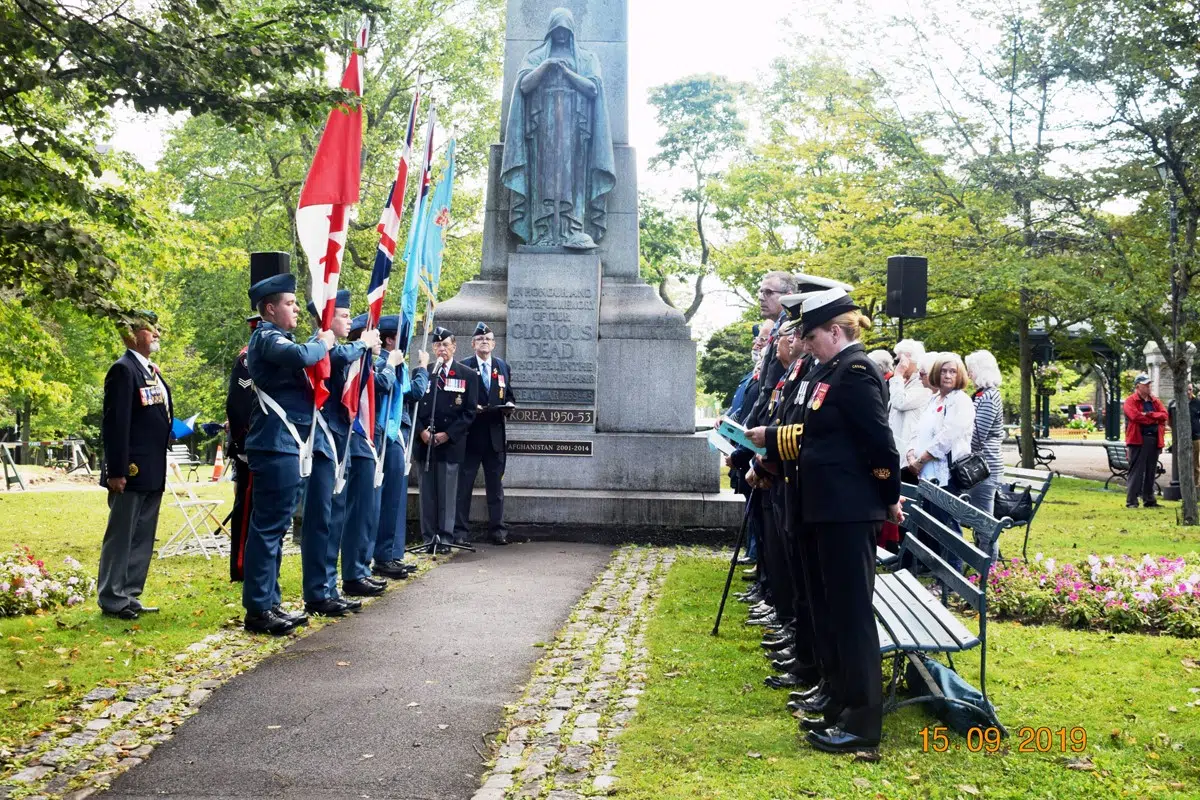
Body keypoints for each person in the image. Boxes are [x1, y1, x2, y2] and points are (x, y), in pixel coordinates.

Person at [784, 288, 901, 753]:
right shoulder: (830, 368)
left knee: (851, 618)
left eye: (811, 335)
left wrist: (887, 497)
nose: (805, 344)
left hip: (848, 514)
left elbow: (881, 447)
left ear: (835, 331)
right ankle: (837, 698)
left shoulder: (855, 371)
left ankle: (863, 723)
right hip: (826, 510)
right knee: (831, 611)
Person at [242, 258, 337, 635]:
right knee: (267, 529)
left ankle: (271, 602)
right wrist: (322, 341)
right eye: (290, 304)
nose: (296, 309)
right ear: (270, 308)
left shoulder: (278, 337)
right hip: (275, 444)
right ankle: (258, 609)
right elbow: (301, 357)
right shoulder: (266, 337)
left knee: (277, 528)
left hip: (287, 445)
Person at [97, 310, 172, 620]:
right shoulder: (123, 370)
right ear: (131, 335)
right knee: (122, 535)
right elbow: (116, 423)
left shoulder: (150, 370)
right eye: (149, 330)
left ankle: (129, 594)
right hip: (131, 471)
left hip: (153, 468)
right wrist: (116, 470)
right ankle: (112, 597)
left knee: (142, 535)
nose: (155, 335)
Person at [337, 313, 397, 595]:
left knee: (368, 512)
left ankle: (359, 568)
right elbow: (379, 386)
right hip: (357, 440)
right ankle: (353, 572)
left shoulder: (367, 362)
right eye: (373, 333)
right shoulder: (357, 362)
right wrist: (391, 367)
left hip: (367, 441)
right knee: (359, 511)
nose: (378, 339)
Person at [370, 315, 429, 578]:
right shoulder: (385, 362)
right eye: (402, 338)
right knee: (388, 498)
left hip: (398, 434)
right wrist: (423, 369)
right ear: (391, 339)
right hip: (388, 434)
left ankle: (392, 554)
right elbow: (413, 393)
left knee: (396, 499)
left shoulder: (394, 363)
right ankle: (384, 556)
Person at [415, 327, 479, 551]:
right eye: (437, 345)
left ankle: (445, 538)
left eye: (446, 345)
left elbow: (470, 411)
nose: (441, 349)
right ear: (433, 348)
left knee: (447, 493)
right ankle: (428, 538)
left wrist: (448, 434)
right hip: (425, 444)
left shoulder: (467, 375)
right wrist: (422, 431)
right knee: (427, 495)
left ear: (454, 347)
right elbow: (412, 405)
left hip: (450, 444)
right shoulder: (423, 372)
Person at [455, 322, 517, 545]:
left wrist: (509, 405)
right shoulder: (463, 367)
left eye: (488, 339)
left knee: (496, 488)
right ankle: (460, 532)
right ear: (473, 344)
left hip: (494, 438)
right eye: (480, 339)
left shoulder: (502, 367)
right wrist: (472, 409)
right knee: (464, 488)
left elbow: (509, 394)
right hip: (470, 437)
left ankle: (498, 531)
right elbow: (456, 402)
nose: (485, 342)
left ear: (494, 343)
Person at [226, 314, 260, 583]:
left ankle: (253, 563)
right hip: (250, 444)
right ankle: (241, 565)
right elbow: (238, 402)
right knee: (246, 507)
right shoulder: (248, 358)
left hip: (263, 442)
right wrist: (242, 441)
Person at [964, 351, 1006, 546]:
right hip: (979, 467)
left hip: (985, 468)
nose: (968, 373)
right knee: (981, 520)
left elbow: (977, 436)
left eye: (970, 368)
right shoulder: (982, 394)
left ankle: (988, 569)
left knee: (984, 523)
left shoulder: (989, 397)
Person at [1123, 374, 1167, 509]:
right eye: (1146, 385)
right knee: (1136, 471)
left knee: (1151, 470)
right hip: (1138, 440)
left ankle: (1149, 499)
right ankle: (1132, 501)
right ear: (1138, 387)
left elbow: (1164, 415)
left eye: (1149, 384)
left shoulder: (1154, 400)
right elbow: (1135, 417)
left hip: (1154, 439)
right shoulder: (1130, 401)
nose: (1149, 387)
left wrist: (1148, 415)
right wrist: (1155, 418)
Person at [888, 339, 930, 469]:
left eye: (899, 360)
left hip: (909, 456)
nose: (897, 364)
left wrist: (898, 374)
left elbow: (899, 402)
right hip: (896, 450)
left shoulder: (923, 385)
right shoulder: (904, 383)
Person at [1189, 385, 1200, 488]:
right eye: (1186, 389)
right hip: (1182, 438)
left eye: (1190, 389)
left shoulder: (1197, 402)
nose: (1188, 391)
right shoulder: (1176, 403)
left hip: (1195, 436)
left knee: (1195, 463)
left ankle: (1196, 485)